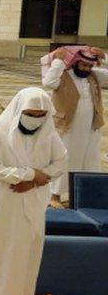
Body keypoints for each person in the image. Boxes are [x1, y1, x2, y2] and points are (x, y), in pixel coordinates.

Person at [0, 88, 67, 295]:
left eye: (40, 115)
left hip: (33, 203)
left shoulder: (48, 133)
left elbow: (60, 163)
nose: (35, 119)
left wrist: (33, 182)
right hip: (3, 202)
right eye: (30, 114)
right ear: (19, 110)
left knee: (26, 253)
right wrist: (27, 175)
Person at [40, 46, 107, 207]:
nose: (87, 69)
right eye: (83, 65)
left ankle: (84, 196)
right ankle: (54, 196)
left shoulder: (94, 76)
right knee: (64, 158)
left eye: (90, 66)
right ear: (76, 62)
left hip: (91, 129)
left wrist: (104, 56)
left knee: (89, 160)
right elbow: (48, 82)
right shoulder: (62, 75)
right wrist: (58, 60)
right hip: (67, 128)